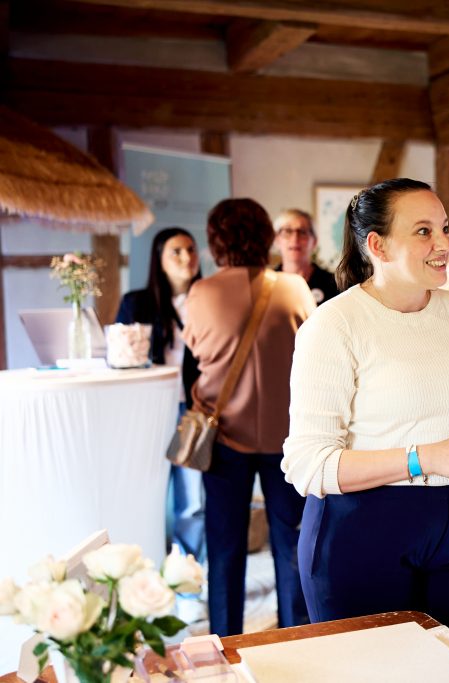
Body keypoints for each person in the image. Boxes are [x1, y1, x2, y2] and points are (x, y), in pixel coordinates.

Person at [282, 178, 449, 682]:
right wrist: (427, 457)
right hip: (359, 540)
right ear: (377, 246)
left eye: (444, 228)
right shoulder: (333, 326)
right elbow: (307, 464)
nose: (443, 244)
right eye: (423, 231)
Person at [184, 198, 315, 637]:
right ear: (266, 237)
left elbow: (196, 350)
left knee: (224, 549)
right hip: (288, 437)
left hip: (223, 436)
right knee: (292, 544)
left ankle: (226, 642)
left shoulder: (202, 292)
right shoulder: (295, 288)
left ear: (215, 241)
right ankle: (296, 638)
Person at [116, 227, 204, 561]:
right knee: (146, 494)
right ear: (159, 259)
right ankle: (145, 570)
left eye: (191, 249)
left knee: (192, 499)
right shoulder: (137, 303)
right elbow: (120, 356)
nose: (187, 258)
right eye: (176, 251)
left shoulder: (207, 299)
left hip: (192, 411)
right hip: (149, 411)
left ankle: (188, 576)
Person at [273, 208, 339, 305]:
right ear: (277, 240)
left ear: (314, 241)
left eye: (302, 232)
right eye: (288, 231)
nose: (295, 239)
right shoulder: (267, 284)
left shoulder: (334, 284)